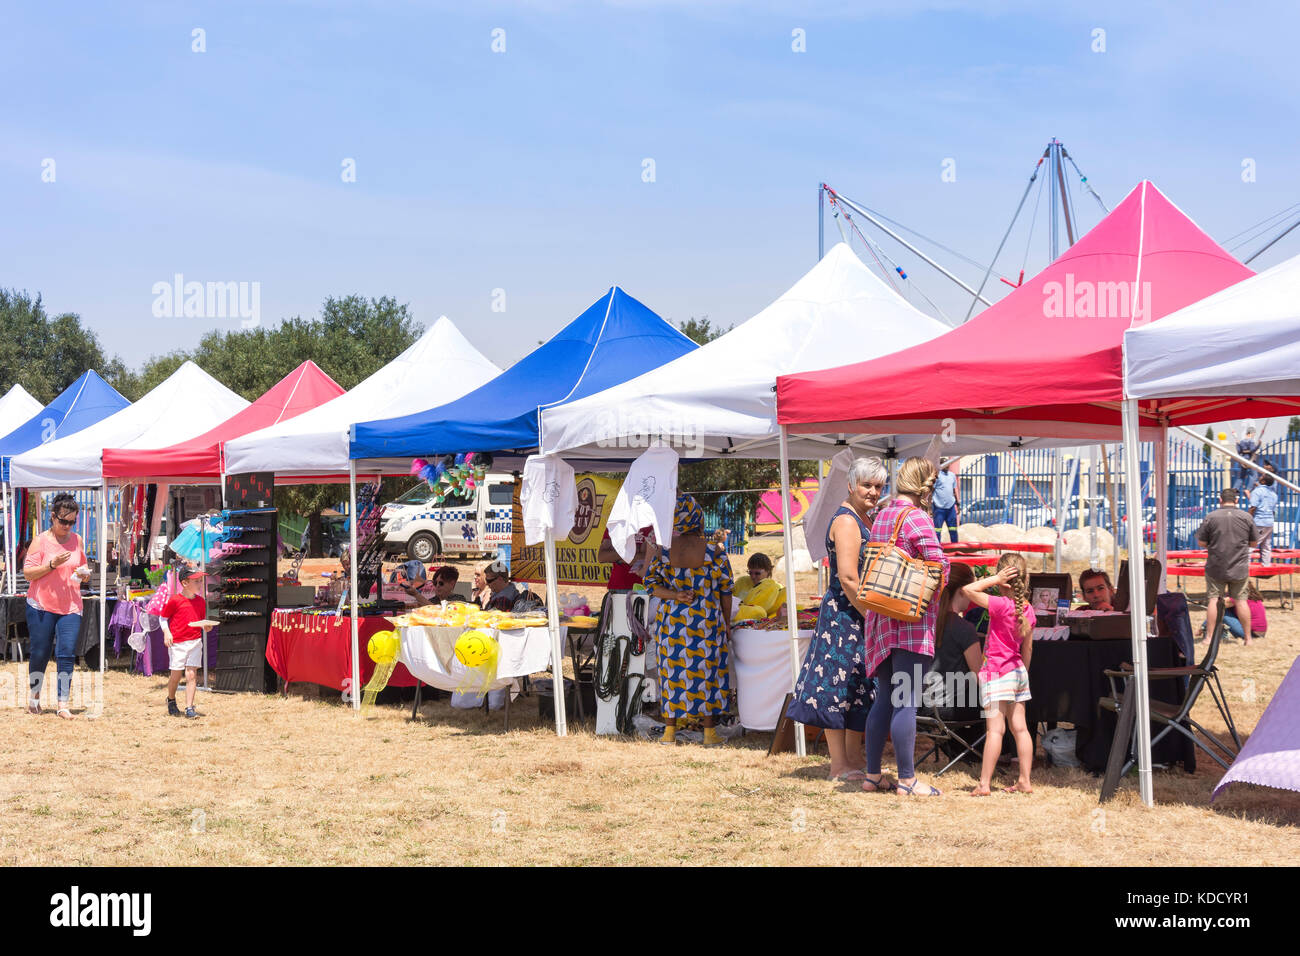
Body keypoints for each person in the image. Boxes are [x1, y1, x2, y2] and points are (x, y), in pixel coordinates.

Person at [787, 457, 887, 779]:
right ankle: (838, 765)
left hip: (856, 614)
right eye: (867, 485)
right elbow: (848, 578)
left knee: (858, 686)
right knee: (836, 688)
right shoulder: (846, 522)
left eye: (878, 486)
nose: (873, 492)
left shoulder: (862, 517)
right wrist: (871, 617)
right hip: (844, 616)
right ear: (851, 485)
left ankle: (853, 760)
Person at [860, 457, 949, 796]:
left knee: (884, 698)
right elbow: (938, 567)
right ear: (926, 485)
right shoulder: (918, 519)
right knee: (906, 699)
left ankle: (872, 775)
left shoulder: (881, 515)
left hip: (881, 617)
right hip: (910, 620)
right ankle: (907, 781)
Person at [643, 493, 734, 747]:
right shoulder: (714, 552)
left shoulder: (663, 552)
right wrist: (726, 622)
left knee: (672, 673)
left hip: (671, 624)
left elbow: (650, 585)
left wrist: (674, 595)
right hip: (705, 623)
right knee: (708, 676)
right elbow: (727, 591)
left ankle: (669, 733)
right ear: (698, 517)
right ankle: (708, 734)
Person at [962, 554, 1035, 795]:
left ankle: (984, 783)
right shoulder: (1028, 609)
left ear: (1003, 579)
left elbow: (968, 590)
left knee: (995, 730)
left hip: (996, 671)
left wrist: (994, 579)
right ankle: (1025, 780)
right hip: (1017, 672)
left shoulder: (999, 604)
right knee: (1020, 729)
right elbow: (1028, 648)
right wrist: (1022, 673)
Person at [22, 493, 92, 718]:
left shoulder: (77, 540)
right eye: (63, 521)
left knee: (67, 653)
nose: (67, 526)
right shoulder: (41, 540)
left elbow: (82, 568)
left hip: (71, 605)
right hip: (41, 605)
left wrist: (84, 575)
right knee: (40, 653)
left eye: (72, 522)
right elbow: (28, 573)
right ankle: (34, 699)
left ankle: (63, 704)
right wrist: (51, 564)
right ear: (52, 517)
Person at [925, 563, 982, 737]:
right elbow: (980, 675)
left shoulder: (925, 625)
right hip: (952, 709)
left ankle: (958, 750)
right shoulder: (964, 629)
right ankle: (1002, 753)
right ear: (963, 591)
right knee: (998, 699)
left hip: (920, 705)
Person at [1196, 488, 1258, 641]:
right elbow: (1254, 542)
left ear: (1220, 500)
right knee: (1241, 601)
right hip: (1239, 567)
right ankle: (1248, 639)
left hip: (1216, 566)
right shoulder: (1246, 517)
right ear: (1236, 500)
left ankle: (1209, 637)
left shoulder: (1211, 517)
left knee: (1213, 600)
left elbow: (1201, 542)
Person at [160, 567, 214, 718]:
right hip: (177, 643)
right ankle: (171, 699)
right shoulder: (175, 600)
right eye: (196, 581)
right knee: (176, 676)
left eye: (200, 580)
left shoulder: (201, 602)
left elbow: (201, 622)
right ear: (184, 583)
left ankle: (189, 707)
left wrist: (206, 626)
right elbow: (163, 618)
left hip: (195, 641)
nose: (200, 583)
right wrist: (167, 632)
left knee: (191, 674)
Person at [598, 525, 654, 590]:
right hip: (618, 586)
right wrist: (631, 552)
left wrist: (617, 556)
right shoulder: (616, 524)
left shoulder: (651, 524)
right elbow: (601, 557)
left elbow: (646, 557)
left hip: (644, 587)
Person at [1248, 471, 1278, 566]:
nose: (1260, 477)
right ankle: (1266, 565)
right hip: (1269, 522)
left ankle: (1245, 567)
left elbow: (1253, 507)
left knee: (1250, 545)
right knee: (1266, 545)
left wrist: (1248, 520)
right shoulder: (1273, 494)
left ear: (1264, 481)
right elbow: (1273, 511)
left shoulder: (1257, 491)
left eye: (1262, 477)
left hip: (1260, 522)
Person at [931, 458, 961, 544]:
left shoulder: (952, 475)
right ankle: (937, 549)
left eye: (948, 464)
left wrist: (958, 503)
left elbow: (954, 489)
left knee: (953, 529)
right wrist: (929, 504)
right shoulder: (937, 476)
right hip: (938, 507)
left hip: (951, 507)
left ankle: (955, 548)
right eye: (945, 464)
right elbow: (931, 490)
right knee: (937, 530)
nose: (947, 466)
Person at [1233, 427, 1260, 492]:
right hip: (1250, 460)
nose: (1254, 435)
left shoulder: (1242, 441)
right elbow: (1252, 450)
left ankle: (1235, 488)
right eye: (1253, 434)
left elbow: (1239, 451)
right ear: (1250, 433)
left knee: (1241, 476)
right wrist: (1259, 445)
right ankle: (1248, 489)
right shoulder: (1251, 441)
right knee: (1254, 475)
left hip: (1243, 460)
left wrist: (1237, 444)